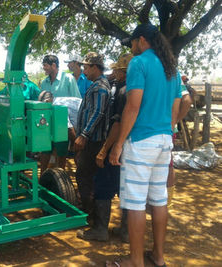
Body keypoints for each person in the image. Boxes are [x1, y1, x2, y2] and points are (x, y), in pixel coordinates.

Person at [107, 23, 181, 267]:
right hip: (163, 140)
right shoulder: (171, 68)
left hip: (141, 141)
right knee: (159, 199)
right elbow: (176, 106)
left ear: (140, 40)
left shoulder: (139, 63)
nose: (131, 46)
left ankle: (135, 261)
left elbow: (132, 106)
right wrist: (168, 132)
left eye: (132, 42)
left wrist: (118, 145)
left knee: (136, 202)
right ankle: (158, 257)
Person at [77, 53, 133, 242]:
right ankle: (125, 231)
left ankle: (100, 229)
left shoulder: (122, 92)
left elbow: (116, 124)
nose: (114, 71)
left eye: (117, 69)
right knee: (124, 187)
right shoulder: (133, 91)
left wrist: (105, 149)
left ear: (123, 71)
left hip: (117, 146)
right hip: (131, 147)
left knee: (102, 184)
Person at [74, 52, 111, 225]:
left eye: (86, 67)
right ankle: (90, 212)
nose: (84, 70)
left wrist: (84, 135)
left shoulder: (100, 87)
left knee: (85, 175)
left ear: (95, 67)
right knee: (85, 175)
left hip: (94, 141)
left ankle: (91, 215)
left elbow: (98, 113)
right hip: (91, 140)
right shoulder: (96, 85)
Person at [38, 91, 82, 174]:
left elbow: (69, 129)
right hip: (74, 123)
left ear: (48, 101)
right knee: (47, 147)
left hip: (83, 122)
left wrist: (75, 144)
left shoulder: (57, 106)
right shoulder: (54, 102)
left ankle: (60, 176)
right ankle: (43, 177)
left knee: (63, 144)